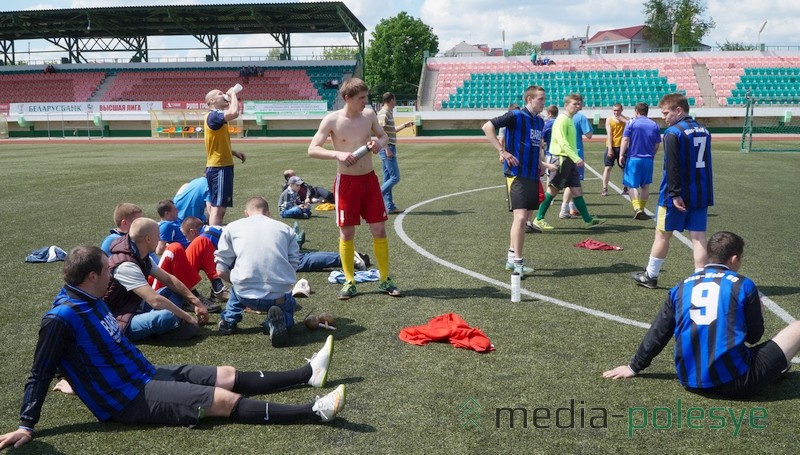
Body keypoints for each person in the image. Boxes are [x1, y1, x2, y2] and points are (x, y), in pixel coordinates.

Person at [0, 247, 344, 451]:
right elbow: (40, 369)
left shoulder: (90, 298)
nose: (113, 275)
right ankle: (312, 412)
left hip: (144, 374)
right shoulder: (61, 317)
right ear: (91, 276)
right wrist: (27, 425)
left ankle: (307, 374)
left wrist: (76, 380)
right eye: (107, 271)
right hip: (128, 398)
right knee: (222, 402)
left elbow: (87, 352)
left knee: (224, 375)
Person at [604, 231, 800, 398]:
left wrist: (633, 367)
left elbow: (659, 331)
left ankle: (776, 368)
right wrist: (758, 310)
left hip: (689, 381)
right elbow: (754, 337)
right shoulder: (743, 284)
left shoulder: (681, 286)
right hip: (737, 383)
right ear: (734, 259)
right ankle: (776, 368)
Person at [307, 77, 401, 300]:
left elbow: (384, 135)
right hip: (346, 183)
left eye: (366, 97)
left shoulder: (368, 115)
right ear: (347, 98)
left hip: (369, 180)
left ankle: (385, 279)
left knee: (379, 229)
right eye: (362, 98)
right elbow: (312, 149)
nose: (365, 102)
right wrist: (337, 153)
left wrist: (381, 142)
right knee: (347, 233)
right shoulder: (332, 120)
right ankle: (349, 282)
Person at [632, 93, 713, 289]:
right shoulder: (704, 130)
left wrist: (675, 194)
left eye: (666, 112)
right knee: (699, 237)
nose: (664, 117)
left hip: (676, 195)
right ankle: (701, 280)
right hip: (701, 192)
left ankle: (650, 275)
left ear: (679, 110)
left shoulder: (672, 132)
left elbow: (673, 167)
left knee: (662, 235)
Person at [481, 85, 553, 277]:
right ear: (529, 99)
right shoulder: (515, 116)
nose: (544, 102)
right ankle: (519, 263)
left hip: (532, 175)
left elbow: (536, 147)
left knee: (522, 219)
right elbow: (487, 127)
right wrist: (502, 151)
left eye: (544, 99)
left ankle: (511, 259)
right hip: (516, 174)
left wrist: (542, 164)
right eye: (540, 99)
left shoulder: (539, 121)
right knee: (521, 218)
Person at [105, 218, 209, 341]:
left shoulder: (139, 255)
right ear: (148, 239)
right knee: (166, 316)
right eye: (158, 235)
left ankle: (164, 326)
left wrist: (196, 302)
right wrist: (188, 318)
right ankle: (162, 329)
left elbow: (169, 280)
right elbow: (155, 301)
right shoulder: (126, 266)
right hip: (120, 319)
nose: (160, 239)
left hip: (134, 306)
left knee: (176, 291)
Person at [215, 197, 299, 346]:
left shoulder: (232, 227)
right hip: (278, 295)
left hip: (244, 294)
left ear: (246, 213)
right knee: (289, 303)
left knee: (236, 288)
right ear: (268, 213)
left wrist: (238, 281)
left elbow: (220, 271)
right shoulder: (286, 229)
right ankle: (276, 323)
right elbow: (293, 263)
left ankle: (229, 321)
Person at [532, 93, 606, 230]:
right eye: (574, 104)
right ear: (566, 105)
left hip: (569, 160)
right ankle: (538, 218)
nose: (577, 106)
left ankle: (588, 220)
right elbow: (562, 142)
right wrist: (576, 157)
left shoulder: (570, 119)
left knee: (577, 190)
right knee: (553, 190)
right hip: (561, 159)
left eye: (579, 104)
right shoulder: (562, 120)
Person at [204, 85, 247, 226]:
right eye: (219, 94)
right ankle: (213, 237)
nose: (223, 95)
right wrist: (232, 94)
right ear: (211, 101)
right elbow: (234, 112)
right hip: (220, 167)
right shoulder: (214, 115)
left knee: (215, 205)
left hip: (217, 166)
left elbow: (216, 142)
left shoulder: (214, 117)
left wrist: (232, 152)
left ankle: (211, 233)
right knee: (219, 208)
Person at [619, 102, 661, 220]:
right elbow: (657, 144)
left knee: (632, 185)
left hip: (634, 158)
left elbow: (626, 139)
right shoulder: (654, 125)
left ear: (636, 111)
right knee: (645, 186)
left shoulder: (631, 123)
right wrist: (652, 154)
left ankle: (637, 208)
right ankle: (642, 209)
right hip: (648, 159)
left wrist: (621, 154)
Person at [377, 92, 414, 214]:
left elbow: (390, 131)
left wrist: (404, 125)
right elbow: (380, 133)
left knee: (388, 177)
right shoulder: (384, 114)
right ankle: (374, 199)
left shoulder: (388, 113)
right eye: (395, 99)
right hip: (387, 149)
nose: (396, 102)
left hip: (388, 148)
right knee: (395, 177)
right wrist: (387, 149)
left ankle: (390, 207)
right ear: (390, 100)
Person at [559, 101, 594, 219]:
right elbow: (589, 135)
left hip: (563, 153)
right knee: (572, 182)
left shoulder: (562, 117)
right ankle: (564, 209)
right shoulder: (580, 117)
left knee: (570, 183)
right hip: (576, 153)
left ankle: (571, 208)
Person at [601, 103, 628, 196]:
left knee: (624, 169)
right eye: (614, 110)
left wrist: (623, 120)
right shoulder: (609, 120)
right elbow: (609, 135)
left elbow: (631, 125)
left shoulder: (626, 119)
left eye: (618, 110)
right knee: (607, 168)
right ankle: (605, 188)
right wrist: (610, 149)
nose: (616, 112)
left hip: (623, 147)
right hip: (612, 146)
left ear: (621, 110)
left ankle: (626, 187)